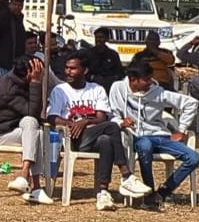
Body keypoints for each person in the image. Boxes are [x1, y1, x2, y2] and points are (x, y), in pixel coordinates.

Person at [47, 55, 151, 210]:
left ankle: (102, 192)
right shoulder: (60, 90)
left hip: (92, 136)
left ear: (85, 70)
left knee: (106, 141)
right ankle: (126, 175)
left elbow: (101, 117)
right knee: (112, 127)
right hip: (71, 137)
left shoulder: (96, 89)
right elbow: (52, 117)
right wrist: (74, 124)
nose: (68, 71)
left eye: (73, 68)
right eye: (67, 68)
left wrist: (85, 122)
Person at [108, 63, 199, 210]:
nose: (150, 83)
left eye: (151, 78)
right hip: (136, 136)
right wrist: (121, 122)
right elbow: (112, 114)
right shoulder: (118, 88)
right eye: (146, 79)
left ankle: (163, 191)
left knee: (194, 157)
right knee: (145, 145)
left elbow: (191, 103)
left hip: (160, 135)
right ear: (133, 80)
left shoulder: (158, 92)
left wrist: (181, 130)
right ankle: (149, 192)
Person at [0, 56, 53, 205]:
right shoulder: (9, 87)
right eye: (38, 72)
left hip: (22, 128)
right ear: (29, 73)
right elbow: (33, 112)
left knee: (39, 133)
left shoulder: (23, 81)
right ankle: (28, 179)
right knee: (31, 122)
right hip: (3, 133)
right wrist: (36, 83)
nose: (41, 74)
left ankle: (33, 186)